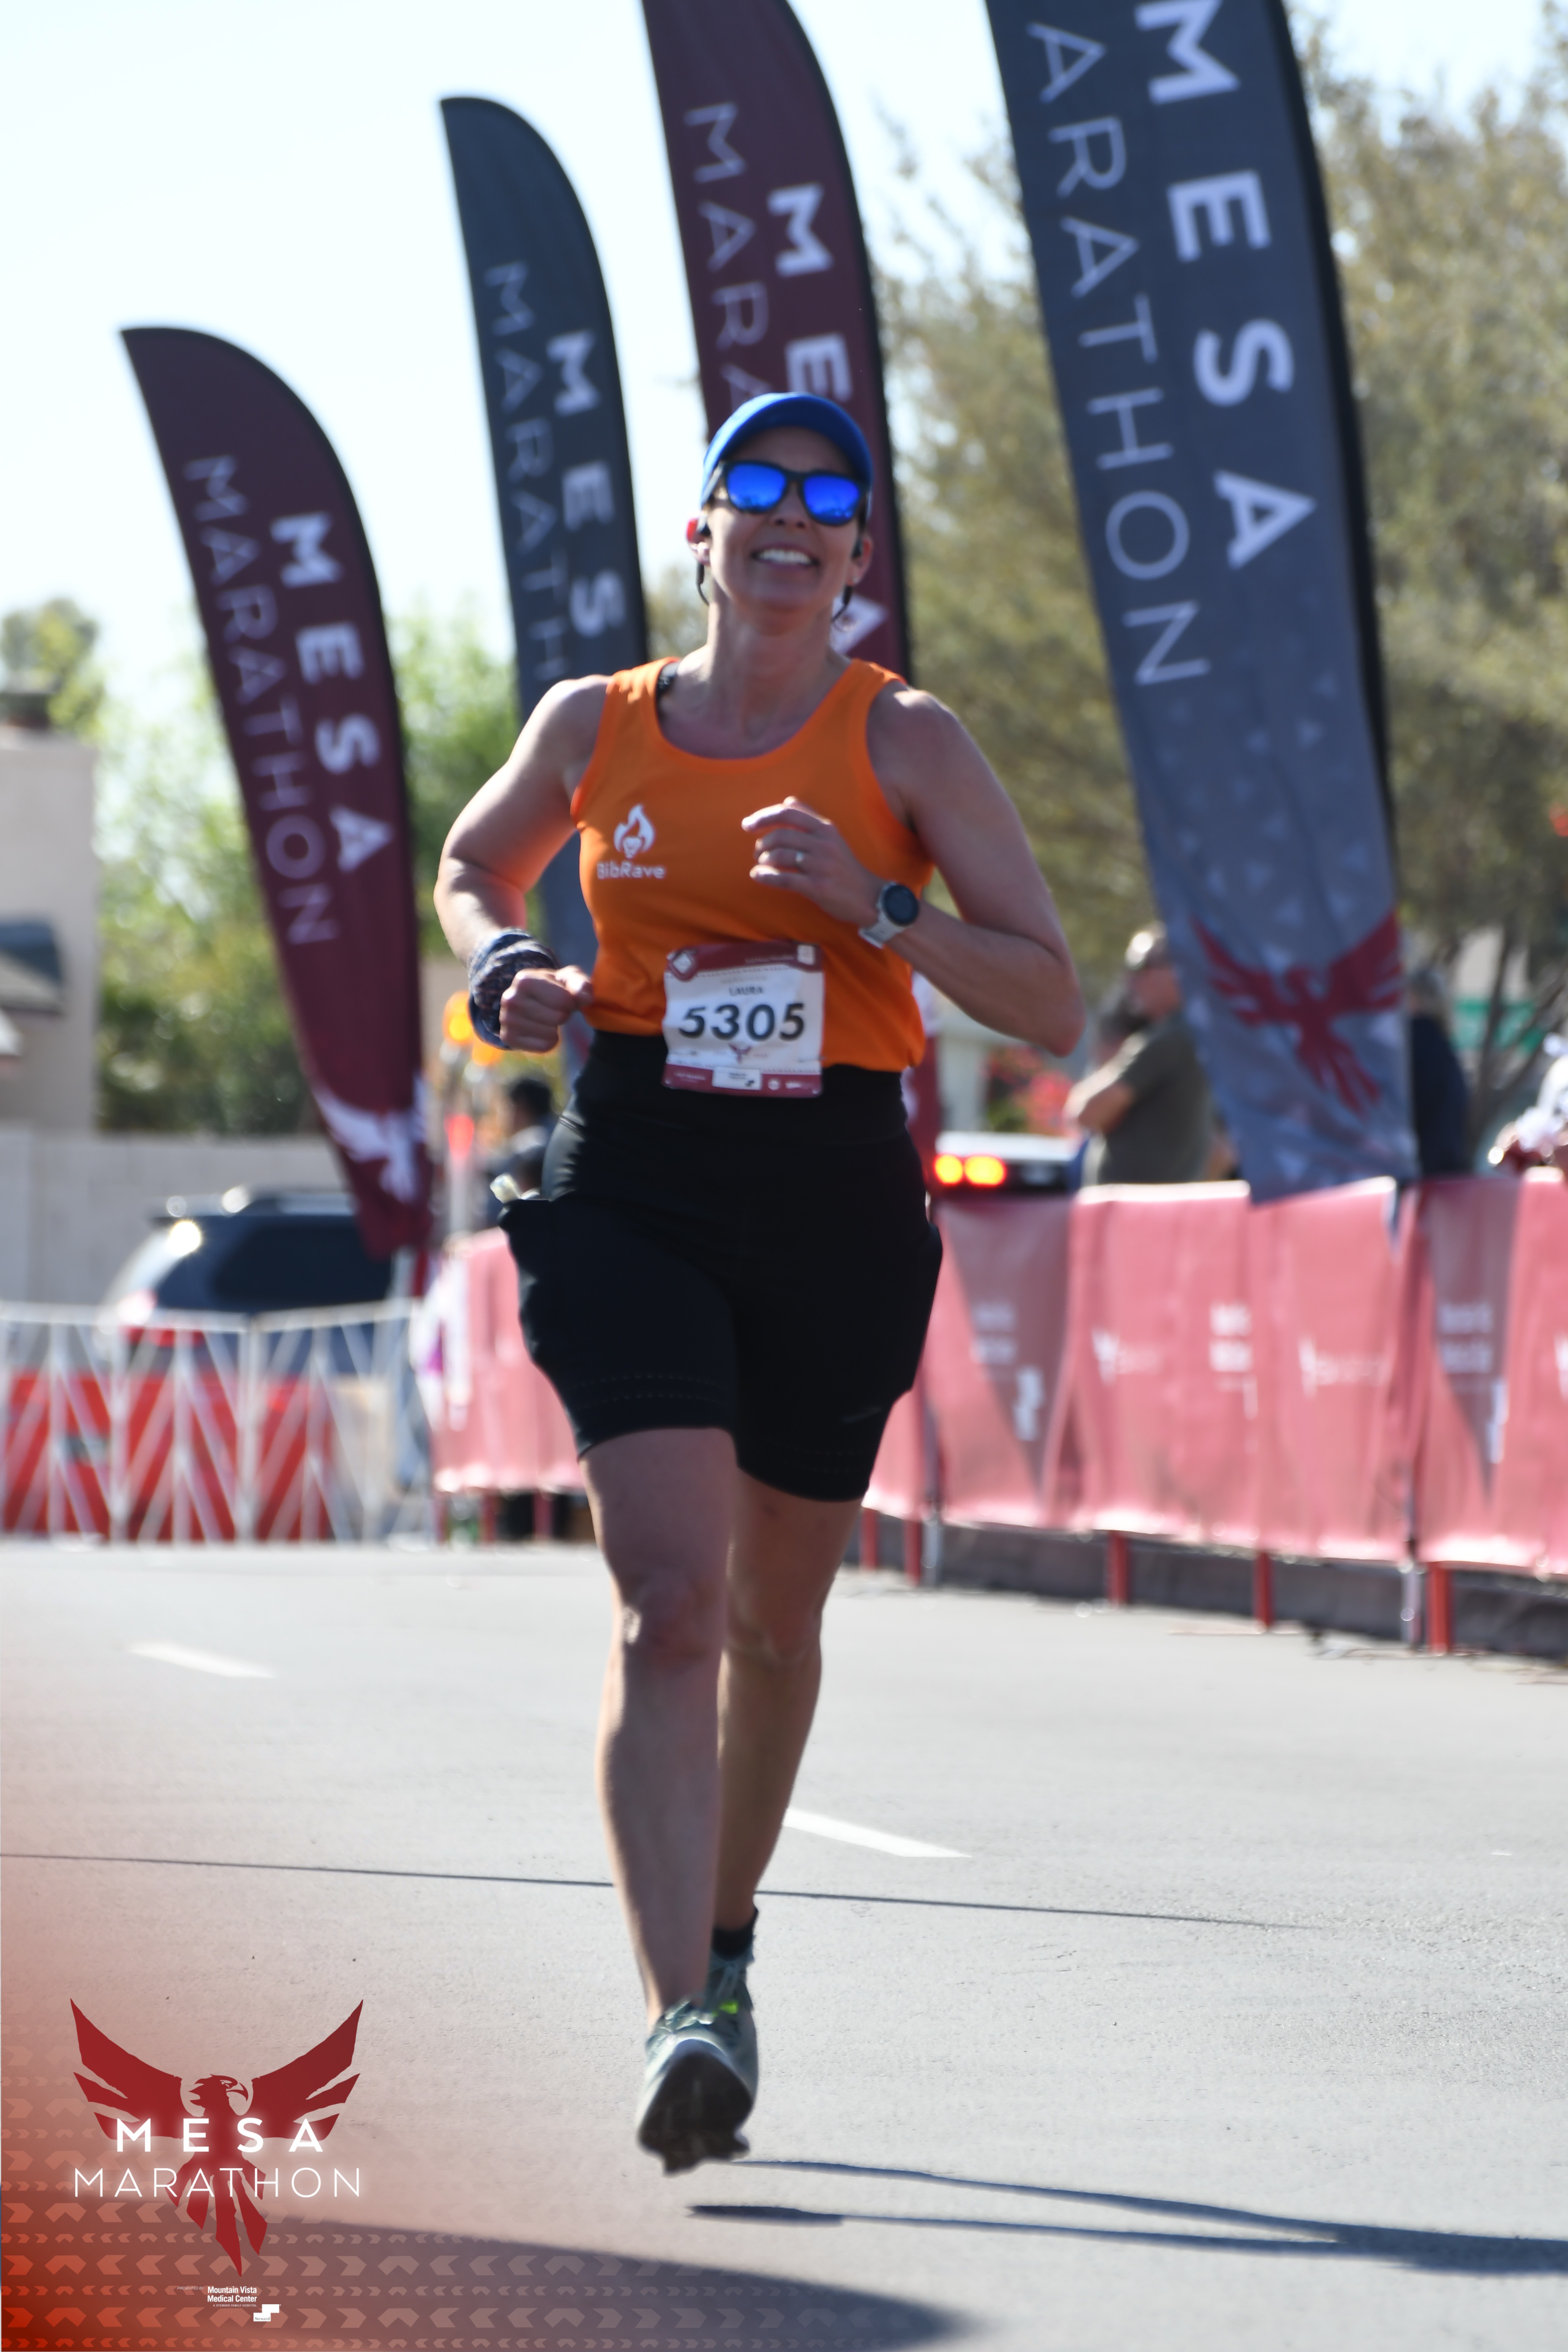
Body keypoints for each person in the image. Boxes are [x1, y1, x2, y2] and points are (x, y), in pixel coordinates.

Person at [434, 390, 1083, 2173]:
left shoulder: (906, 738)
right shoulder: (596, 722)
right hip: (636, 1168)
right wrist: (503, 961)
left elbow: (1048, 999)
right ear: (702, 529)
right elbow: (472, 862)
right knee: (669, 1599)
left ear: (857, 552)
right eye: (757, 487)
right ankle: (680, 2016)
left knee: (777, 1622)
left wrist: (880, 906)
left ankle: (722, 1945)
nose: (790, 516)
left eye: (827, 496)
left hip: (829, 1187)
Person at [1066, 923, 1212, 1184]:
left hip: (1134, 1204)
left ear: (1178, 969)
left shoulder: (1168, 1040)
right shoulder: (1197, 1035)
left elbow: (1086, 1113)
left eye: (1139, 967)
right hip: (1163, 1201)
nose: (1129, 980)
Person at [1405, 968, 1471, 1175]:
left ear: (1414, 997)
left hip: (1417, 1171)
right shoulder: (1445, 1048)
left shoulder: (1412, 1043)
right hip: (1447, 1171)